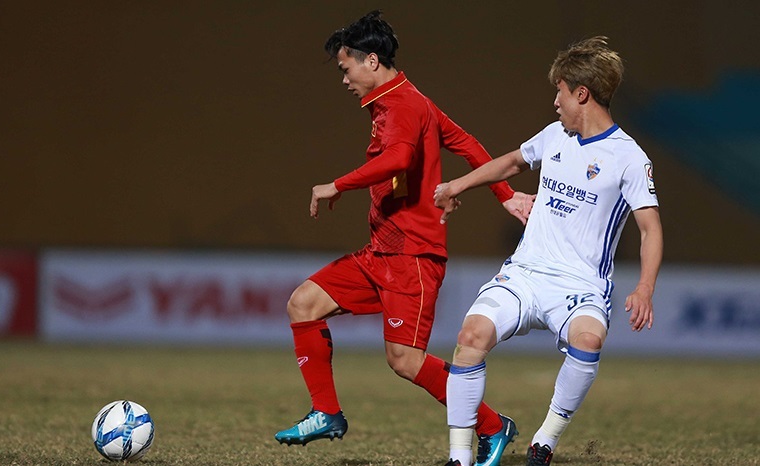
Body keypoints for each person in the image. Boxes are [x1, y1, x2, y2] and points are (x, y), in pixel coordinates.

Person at [273, 10, 535, 461]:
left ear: (371, 61)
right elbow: (469, 143)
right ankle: (326, 412)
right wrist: (506, 194)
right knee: (303, 303)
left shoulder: (404, 106)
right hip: (381, 252)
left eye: (346, 68)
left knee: (405, 362)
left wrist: (338, 184)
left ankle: (495, 426)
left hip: (412, 258)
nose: (344, 79)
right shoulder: (409, 102)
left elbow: (396, 159)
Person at [435, 36, 663, 466]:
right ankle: (459, 458)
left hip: (581, 286)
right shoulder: (555, 135)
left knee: (589, 340)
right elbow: (511, 162)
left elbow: (650, 228)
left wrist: (645, 287)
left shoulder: (630, 158)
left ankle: (544, 442)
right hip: (525, 273)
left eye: (559, 91)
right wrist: (457, 185)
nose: (555, 102)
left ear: (582, 94)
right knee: (471, 336)